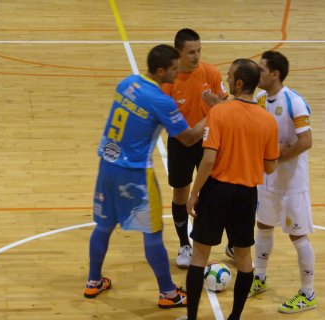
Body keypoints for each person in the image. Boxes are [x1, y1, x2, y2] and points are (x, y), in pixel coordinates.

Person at [84, 44, 207, 309]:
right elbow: (188, 138)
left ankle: (93, 280)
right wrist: (214, 113)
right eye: (174, 69)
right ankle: (168, 293)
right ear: (161, 70)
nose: (178, 72)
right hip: (135, 175)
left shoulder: (126, 83)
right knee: (153, 233)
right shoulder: (162, 100)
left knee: (104, 226)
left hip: (107, 165)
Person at [184, 59, 280, 320]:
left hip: (216, 192)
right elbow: (270, 167)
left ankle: (192, 318)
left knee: (199, 256)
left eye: (229, 78)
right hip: (246, 195)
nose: (225, 81)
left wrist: (194, 194)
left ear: (239, 83)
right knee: (244, 260)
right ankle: (235, 318)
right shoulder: (268, 120)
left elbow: (208, 159)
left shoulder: (219, 113)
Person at [247, 51, 317, 314]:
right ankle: (260, 278)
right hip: (267, 179)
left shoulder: (294, 102)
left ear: (274, 74)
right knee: (263, 225)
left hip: (291, 183)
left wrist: (276, 156)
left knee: (297, 236)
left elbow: (306, 142)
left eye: (262, 70)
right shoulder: (260, 98)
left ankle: (308, 293)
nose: (258, 74)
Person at [161, 28, 228, 269]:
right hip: (180, 142)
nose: (196, 56)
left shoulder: (210, 71)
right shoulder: (169, 80)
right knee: (181, 193)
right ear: (178, 52)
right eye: (191, 52)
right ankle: (184, 245)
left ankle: (228, 242)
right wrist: (211, 114)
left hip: (210, 142)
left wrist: (212, 115)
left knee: (214, 191)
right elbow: (184, 133)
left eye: (199, 50)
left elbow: (223, 103)